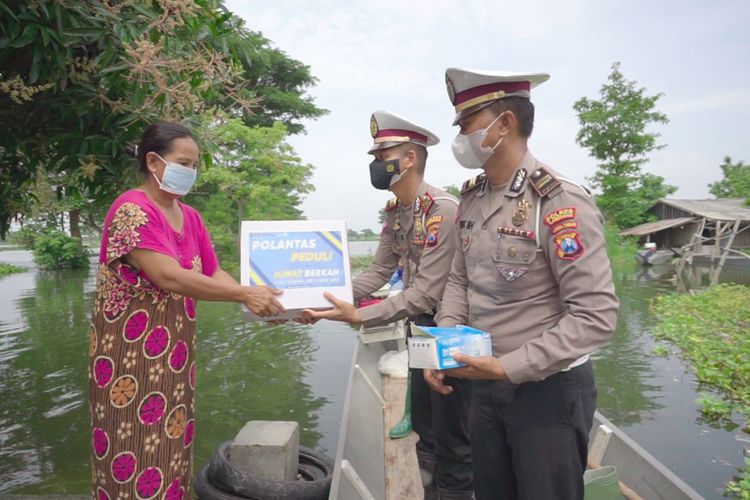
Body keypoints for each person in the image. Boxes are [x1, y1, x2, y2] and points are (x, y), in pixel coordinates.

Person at [425, 68, 620, 500]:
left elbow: (596, 316)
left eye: (466, 123)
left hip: (546, 393)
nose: (459, 134)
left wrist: (507, 367)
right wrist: (445, 342)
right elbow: (460, 279)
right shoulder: (472, 197)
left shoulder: (558, 200)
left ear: (505, 123)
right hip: (484, 383)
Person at [88, 122, 283, 499]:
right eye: (183, 162)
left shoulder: (190, 216)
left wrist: (267, 300)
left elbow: (212, 271)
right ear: (153, 161)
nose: (190, 172)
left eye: (194, 165)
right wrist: (245, 294)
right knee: (130, 451)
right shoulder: (132, 210)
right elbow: (170, 277)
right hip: (127, 362)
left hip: (175, 358)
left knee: (171, 448)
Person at [304, 111, 473, 500]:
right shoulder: (397, 212)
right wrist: (323, 298)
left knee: (454, 429)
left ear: (409, 159)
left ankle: (454, 489)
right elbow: (380, 270)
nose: (375, 165)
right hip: (417, 324)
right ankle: (428, 480)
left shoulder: (441, 210)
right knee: (427, 419)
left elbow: (427, 292)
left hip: (450, 326)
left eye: (383, 155)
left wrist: (358, 315)